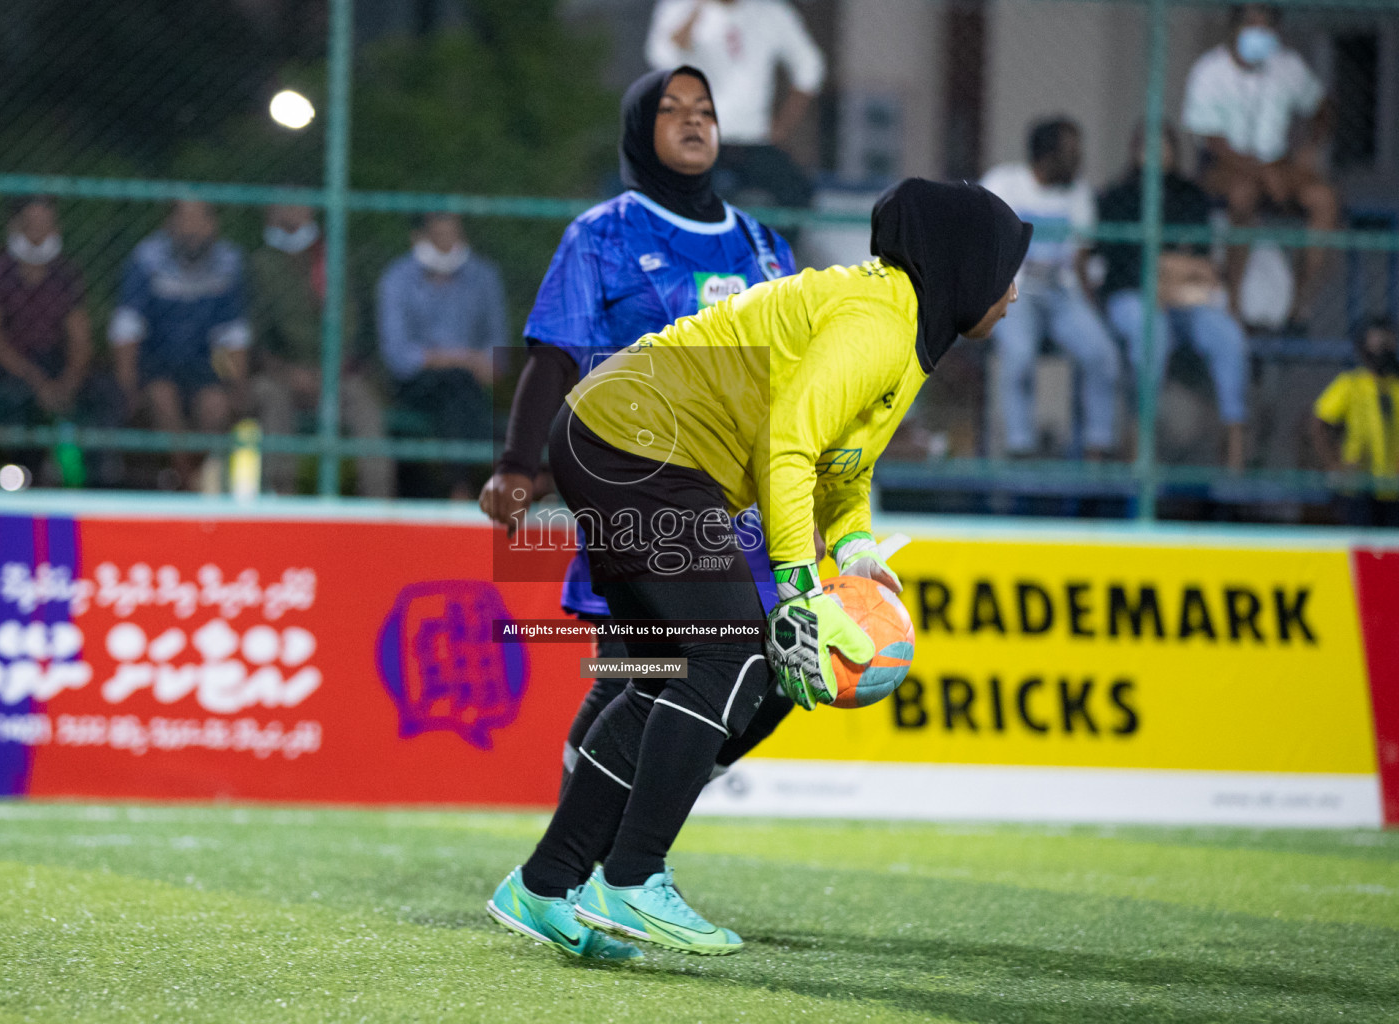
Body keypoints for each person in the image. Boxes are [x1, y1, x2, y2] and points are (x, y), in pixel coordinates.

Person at [485, 178, 1029, 959]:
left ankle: (544, 885)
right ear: (965, 264)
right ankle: (633, 878)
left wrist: (857, 551)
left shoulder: (903, 326)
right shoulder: (880, 321)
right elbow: (788, 443)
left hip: (618, 436)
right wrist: (799, 586)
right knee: (729, 651)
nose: (1012, 291)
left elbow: (841, 466)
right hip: (634, 442)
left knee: (661, 674)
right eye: (1006, 266)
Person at [478, 68, 799, 822]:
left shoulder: (764, 243)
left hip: (745, 507)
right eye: (671, 111)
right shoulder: (604, 233)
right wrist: (519, 466)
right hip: (641, 491)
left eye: (705, 111)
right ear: (638, 133)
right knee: (647, 677)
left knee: (776, 673)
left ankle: (595, 847)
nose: (693, 123)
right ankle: (586, 860)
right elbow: (555, 356)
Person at [1097, 124, 1249, 471]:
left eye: (1163, 145)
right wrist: (1169, 267)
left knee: (1228, 337)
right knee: (1152, 332)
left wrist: (1167, 268)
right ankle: (1140, 439)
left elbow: (1205, 265)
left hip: (1185, 300)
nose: (1156, 153)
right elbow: (1131, 267)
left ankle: (1234, 443)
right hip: (1131, 297)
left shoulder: (1189, 195)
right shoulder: (1118, 196)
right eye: (1148, 146)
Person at [1182, 3, 1336, 326]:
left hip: (1278, 163)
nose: (1260, 34)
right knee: (1243, 193)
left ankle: (1297, 306)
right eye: (1252, 25)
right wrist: (1264, 173)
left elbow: (1322, 107)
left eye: (1267, 27)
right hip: (1226, 165)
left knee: (1324, 199)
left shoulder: (1287, 66)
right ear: (1234, 28)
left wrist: (1310, 149)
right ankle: (1235, 304)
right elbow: (1212, 140)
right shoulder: (1209, 71)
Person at [982, 118, 1119, 458]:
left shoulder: (1079, 193)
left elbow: (1081, 262)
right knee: (1019, 355)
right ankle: (1020, 448)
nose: (1079, 159)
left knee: (1104, 356)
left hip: (1062, 294)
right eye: (1071, 152)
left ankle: (1098, 447)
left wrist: (1093, 310)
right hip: (1013, 291)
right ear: (1046, 156)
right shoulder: (1004, 183)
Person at [249, 203, 393, 497]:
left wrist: (330, 370)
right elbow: (254, 334)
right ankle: (279, 498)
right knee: (271, 399)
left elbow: (351, 324)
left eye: (298, 205)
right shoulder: (257, 265)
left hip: (335, 371)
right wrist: (287, 371)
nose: (290, 213)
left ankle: (379, 503)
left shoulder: (332, 260)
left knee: (364, 404)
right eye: (282, 205)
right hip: (281, 373)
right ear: (269, 213)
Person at [109, 200, 250, 490]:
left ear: (213, 225)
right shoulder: (146, 259)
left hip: (201, 364)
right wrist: (127, 386)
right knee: (163, 397)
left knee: (216, 406)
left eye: (199, 220)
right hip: (156, 362)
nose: (192, 229)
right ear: (169, 225)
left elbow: (233, 334)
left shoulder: (228, 261)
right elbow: (127, 328)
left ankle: (191, 477)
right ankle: (187, 483)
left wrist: (238, 386)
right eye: (184, 220)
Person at [645, 0, 824, 208]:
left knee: (797, 194)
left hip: (755, 140)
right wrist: (697, 10)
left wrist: (783, 126)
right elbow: (665, 59)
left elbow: (810, 67)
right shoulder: (677, 8)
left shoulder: (770, 12)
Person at [377, 212, 506, 499]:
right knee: (455, 384)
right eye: (439, 238)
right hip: (415, 383)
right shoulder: (397, 278)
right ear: (419, 238)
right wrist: (458, 359)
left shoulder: (484, 277)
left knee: (456, 388)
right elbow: (398, 355)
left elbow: (496, 347)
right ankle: (471, 481)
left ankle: (457, 486)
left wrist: (478, 363)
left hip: (470, 383)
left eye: (454, 237)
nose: (448, 246)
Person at [0, 197, 93, 429]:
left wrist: (69, 381)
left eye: (46, 224)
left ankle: (92, 464)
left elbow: (80, 338)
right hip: (6, 367)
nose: (39, 232)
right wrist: (38, 383)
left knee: (99, 395)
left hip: (53, 362)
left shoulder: (67, 274)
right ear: (15, 226)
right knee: (16, 400)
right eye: (31, 224)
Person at [1311, 319, 1399, 527]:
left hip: (1393, 484)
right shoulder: (1351, 384)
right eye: (1374, 345)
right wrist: (1334, 464)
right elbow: (1318, 423)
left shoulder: (1395, 387)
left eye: (1385, 344)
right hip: (1358, 484)